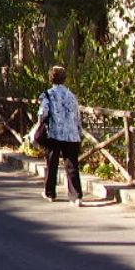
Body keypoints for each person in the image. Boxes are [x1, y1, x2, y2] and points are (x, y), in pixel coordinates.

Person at [38, 66, 84, 206]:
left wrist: (40, 123)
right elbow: (77, 115)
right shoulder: (71, 95)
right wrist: (79, 132)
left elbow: (43, 112)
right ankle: (76, 196)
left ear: (51, 78)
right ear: (64, 79)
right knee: (72, 164)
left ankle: (50, 193)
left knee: (52, 164)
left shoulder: (47, 94)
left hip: (54, 133)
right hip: (71, 134)